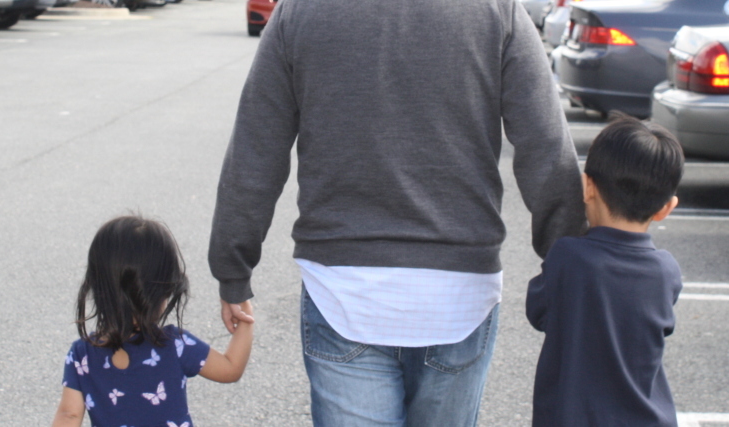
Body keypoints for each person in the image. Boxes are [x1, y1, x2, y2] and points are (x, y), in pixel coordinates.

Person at [207, 0, 585, 423]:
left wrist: (233, 267)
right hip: (459, 293)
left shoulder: (301, 10)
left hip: (343, 290)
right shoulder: (496, 9)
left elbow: (256, 147)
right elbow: (546, 146)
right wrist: (572, 266)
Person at [526, 116, 685, 427]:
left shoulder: (568, 258)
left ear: (588, 187)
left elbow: (539, 311)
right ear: (666, 207)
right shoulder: (666, 271)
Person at [52, 216, 254, 427]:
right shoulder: (175, 345)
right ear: (161, 291)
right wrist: (245, 313)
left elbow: (69, 415)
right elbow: (231, 368)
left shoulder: (82, 354)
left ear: (97, 287)